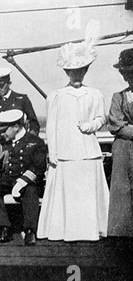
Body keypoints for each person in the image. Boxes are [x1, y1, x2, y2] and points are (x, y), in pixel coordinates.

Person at [37, 25, 109, 242]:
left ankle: (90, 231)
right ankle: (64, 230)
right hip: (66, 153)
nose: (77, 75)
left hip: (88, 151)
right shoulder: (56, 96)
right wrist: (53, 152)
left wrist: (92, 125)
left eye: (81, 70)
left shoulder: (95, 94)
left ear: (86, 71)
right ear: (66, 72)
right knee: (67, 193)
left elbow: (101, 118)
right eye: (72, 71)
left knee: (86, 192)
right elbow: (51, 127)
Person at [0, 109, 47, 246]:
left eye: (5, 129)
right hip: (8, 179)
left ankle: (30, 231)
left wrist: (22, 182)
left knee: (31, 191)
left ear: (16, 127)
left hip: (28, 180)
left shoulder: (36, 142)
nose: (2, 133)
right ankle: (4, 226)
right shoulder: (3, 141)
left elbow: (39, 167)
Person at [0, 67, 40, 166]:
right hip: (2, 149)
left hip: (21, 147)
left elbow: (34, 124)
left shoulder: (22, 99)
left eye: (2, 85)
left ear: (9, 83)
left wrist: (30, 144)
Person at [107, 48, 133, 237]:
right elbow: (115, 123)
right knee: (122, 188)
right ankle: (123, 231)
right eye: (126, 72)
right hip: (125, 147)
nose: (128, 76)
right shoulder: (119, 96)